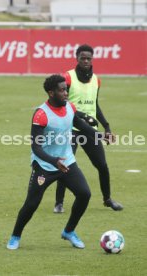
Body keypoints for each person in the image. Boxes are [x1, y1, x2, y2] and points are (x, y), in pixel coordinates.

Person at [7, 74, 106, 250]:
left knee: (84, 194)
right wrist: (53, 161)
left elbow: (81, 125)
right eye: (61, 90)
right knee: (31, 204)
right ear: (51, 93)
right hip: (44, 165)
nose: (66, 93)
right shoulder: (41, 115)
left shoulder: (70, 107)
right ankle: (15, 236)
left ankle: (69, 231)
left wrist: (100, 136)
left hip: (66, 161)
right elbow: (36, 148)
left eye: (66, 89)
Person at [53, 44, 123, 214]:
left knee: (102, 165)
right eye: (82, 58)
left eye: (88, 58)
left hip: (90, 130)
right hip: (70, 129)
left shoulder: (96, 80)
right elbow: (63, 102)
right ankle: (59, 203)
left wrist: (106, 126)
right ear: (77, 58)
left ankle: (107, 199)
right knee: (65, 165)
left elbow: (95, 104)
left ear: (92, 59)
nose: (85, 61)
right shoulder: (67, 78)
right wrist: (82, 115)